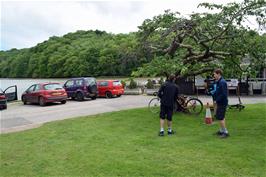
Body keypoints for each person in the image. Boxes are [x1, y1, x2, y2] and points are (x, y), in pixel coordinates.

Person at [213, 69, 229, 138]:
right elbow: (218, 92)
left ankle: (225, 132)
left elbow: (224, 94)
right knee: (221, 117)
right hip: (220, 102)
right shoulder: (219, 82)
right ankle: (221, 130)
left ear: (218, 74)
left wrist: (217, 100)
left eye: (214, 74)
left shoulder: (222, 82)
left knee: (220, 117)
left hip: (222, 102)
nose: (214, 76)